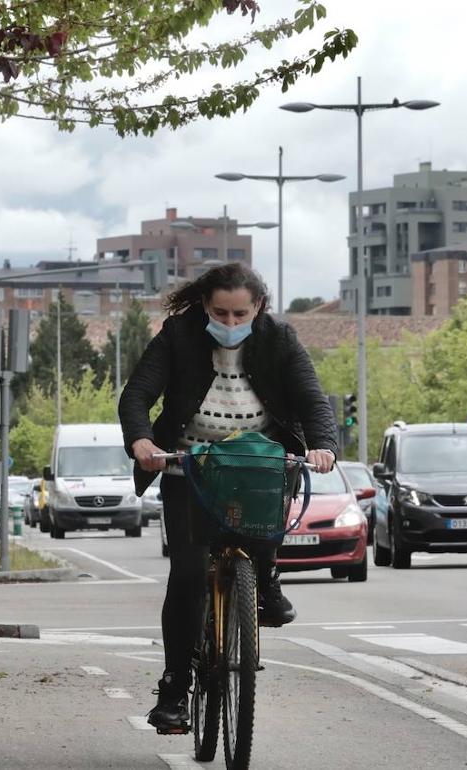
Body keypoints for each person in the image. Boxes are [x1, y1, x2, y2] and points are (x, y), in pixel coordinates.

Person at [118, 262, 337, 733]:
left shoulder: (280, 339)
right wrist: (142, 441)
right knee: (190, 575)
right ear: (205, 306)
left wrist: (323, 446)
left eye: (242, 314)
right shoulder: (179, 335)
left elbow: (313, 400)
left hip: (257, 461)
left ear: (258, 307)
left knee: (263, 520)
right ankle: (174, 690)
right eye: (222, 313)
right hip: (189, 466)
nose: (232, 323)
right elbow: (136, 395)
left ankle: (265, 574)